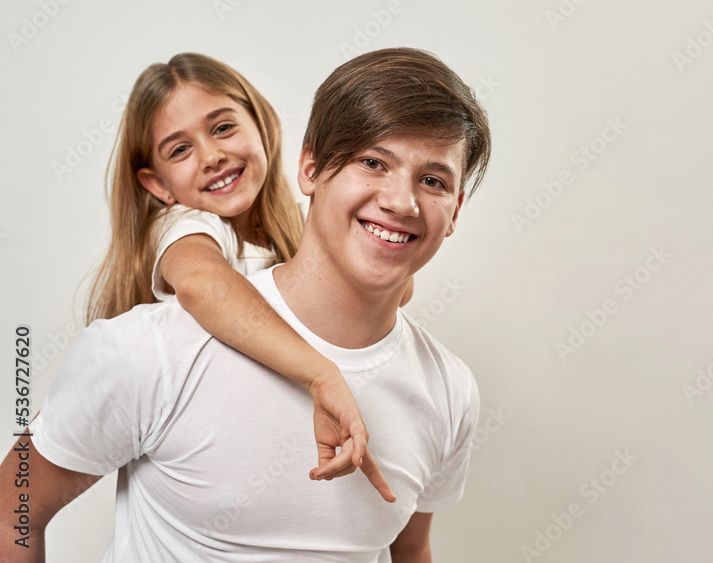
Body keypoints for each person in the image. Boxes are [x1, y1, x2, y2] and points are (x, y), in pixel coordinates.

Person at [0, 46, 490, 562]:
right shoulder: (155, 336)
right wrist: (323, 374)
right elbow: (12, 512)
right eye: (372, 162)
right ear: (311, 167)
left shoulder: (449, 390)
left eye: (432, 180)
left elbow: (410, 552)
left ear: (454, 210)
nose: (403, 202)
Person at [85, 52, 400, 490]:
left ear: (263, 124)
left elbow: (394, 292)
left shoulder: (291, 229)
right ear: (157, 185)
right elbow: (202, 285)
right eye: (180, 149)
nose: (212, 156)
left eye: (222, 128)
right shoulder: (185, 227)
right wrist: (321, 373)